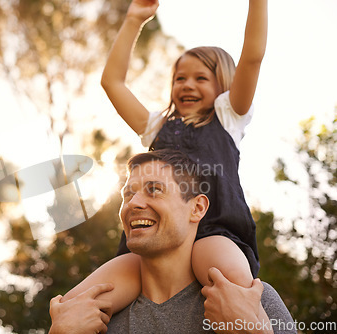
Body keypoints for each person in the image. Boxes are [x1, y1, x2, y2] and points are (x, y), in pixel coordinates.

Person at [64, 0, 269, 323]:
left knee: (233, 284)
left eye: (201, 78)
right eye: (179, 78)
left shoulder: (229, 116)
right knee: (77, 305)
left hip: (212, 233)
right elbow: (112, 83)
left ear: (223, 85)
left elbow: (253, 57)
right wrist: (133, 20)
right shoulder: (157, 127)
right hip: (151, 240)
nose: (187, 84)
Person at [49, 150, 295, 333]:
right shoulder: (95, 320)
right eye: (128, 194)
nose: (133, 203)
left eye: (154, 189)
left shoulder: (249, 300)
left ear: (197, 208)